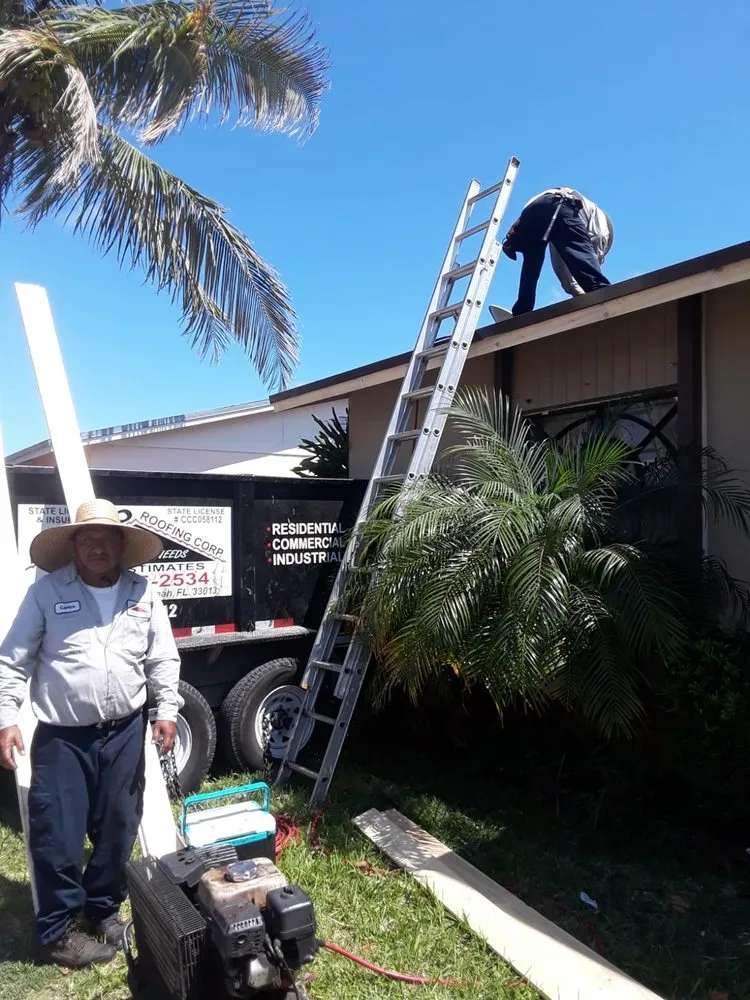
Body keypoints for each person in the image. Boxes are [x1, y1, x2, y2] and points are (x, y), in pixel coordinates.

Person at [0, 499, 181, 969]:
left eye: (107, 538)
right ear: (74, 545)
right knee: (57, 834)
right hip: (63, 738)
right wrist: (6, 718)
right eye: (88, 539)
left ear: (122, 545)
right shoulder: (44, 594)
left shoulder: (144, 593)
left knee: (118, 827)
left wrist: (165, 709)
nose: (98, 547)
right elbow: (12, 660)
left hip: (124, 734)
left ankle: (103, 912)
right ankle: (57, 933)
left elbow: (162, 657)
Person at [502, 187, 613, 315]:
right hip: (558, 204)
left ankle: (521, 310)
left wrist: (574, 289)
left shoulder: (570, 220)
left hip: (529, 214)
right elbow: (588, 248)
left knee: (531, 267)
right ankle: (602, 291)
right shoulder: (598, 220)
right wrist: (583, 292)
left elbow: (560, 264)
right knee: (583, 262)